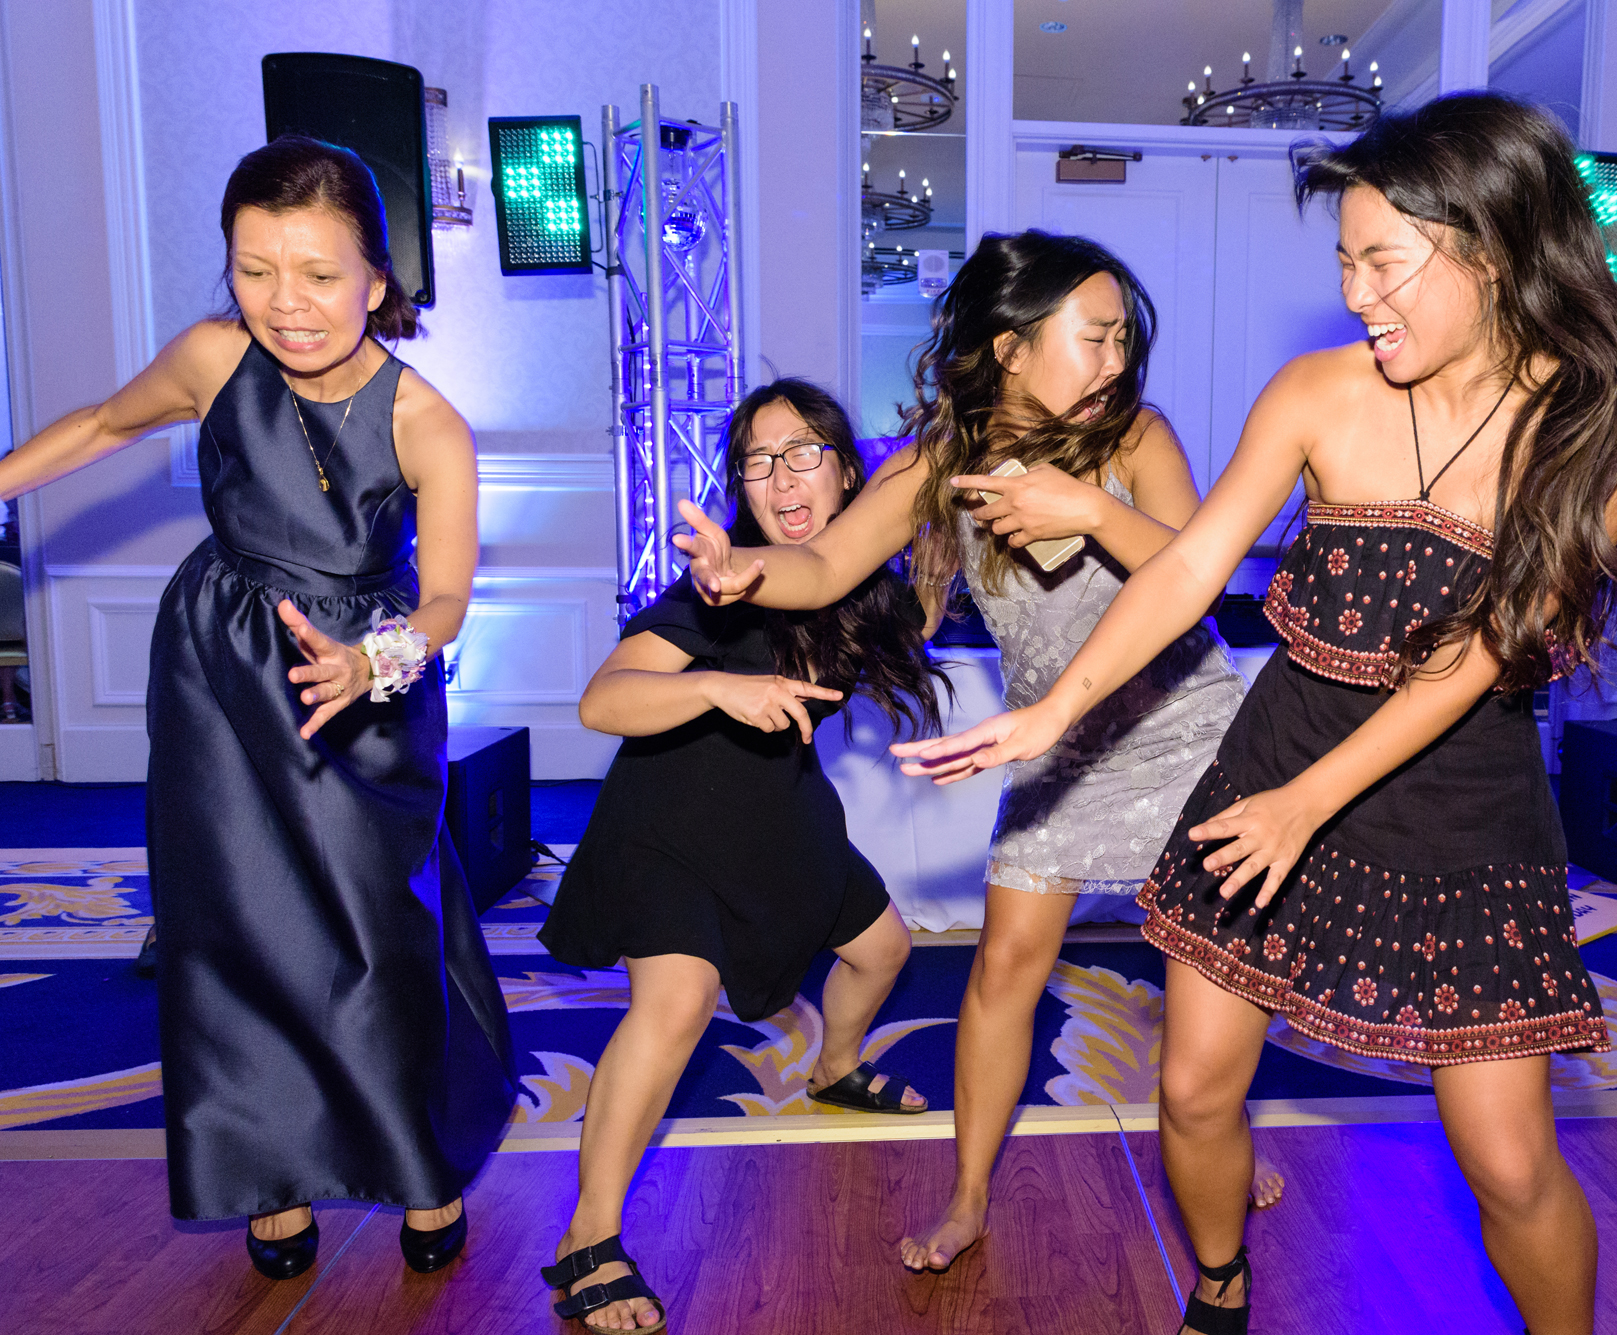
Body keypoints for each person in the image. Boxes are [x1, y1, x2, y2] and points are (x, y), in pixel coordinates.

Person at [892, 94, 1617, 1335]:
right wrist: (1055, 717)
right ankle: (1218, 1284)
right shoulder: (1316, 391)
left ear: (1492, 249)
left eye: (1383, 262)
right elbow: (1193, 565)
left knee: (1508, 1160)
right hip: (1279, 753)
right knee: (1194, 1091)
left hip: (1460, 794)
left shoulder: (1598, 432)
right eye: (1344, 262)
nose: (1357, 293)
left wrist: (1309, 809)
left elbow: (1474, 655)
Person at [675, 230, 1280, 1275]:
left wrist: (1086, 508)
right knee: (1001, 969)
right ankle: (966, 1197)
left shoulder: (1137, 438)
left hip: (1191, 736)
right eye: (1090, 337)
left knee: (1204, 980)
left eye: (1121, 341)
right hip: (1050, 747)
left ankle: (1223, 1135)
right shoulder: (934, 467)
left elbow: (1201, 570)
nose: (1113, 361)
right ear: (1008, 347)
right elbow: (821, 566)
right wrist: (746, 570)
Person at [0, 136, 514, 1277]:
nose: (286, 304)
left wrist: (371, 662)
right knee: (229, 924)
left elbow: (443, 602)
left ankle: (416, 1162)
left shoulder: (427, 422)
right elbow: (101, 425)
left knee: (376, 934)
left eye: (320, 275)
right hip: (217, 666)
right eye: (253, 268)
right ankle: (263, 1172)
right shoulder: (210, 359)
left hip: (362, 681)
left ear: (377, 280)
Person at [537, 380, 951, 1333]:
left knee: (886, 950)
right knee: (675, 1000)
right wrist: (721, 683)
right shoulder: (722, 588)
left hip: (780, 812)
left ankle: (834, 1066)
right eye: (758, 461)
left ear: (850, 473)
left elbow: (915, 605)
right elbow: (604, 703)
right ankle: (587, 1237)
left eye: (804, 451)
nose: (781, 475)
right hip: (669, 823)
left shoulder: (863, 582)